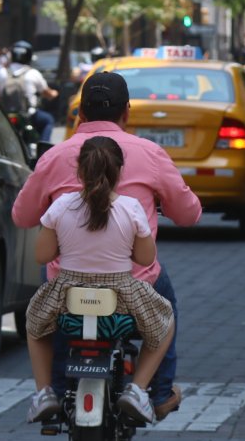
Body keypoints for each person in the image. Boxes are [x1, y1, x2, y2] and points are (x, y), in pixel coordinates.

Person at [13, 71, 202, 422]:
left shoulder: (55, 157)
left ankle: (50, 391)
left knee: (41, 314)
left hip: (67, 286)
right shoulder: (149, 155)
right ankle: (156, 393)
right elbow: (188, 216)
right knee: (166, 309)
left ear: (80, 114)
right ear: (126, 112)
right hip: (130, 285)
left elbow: (22, 217)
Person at [24, 136, 176, 424]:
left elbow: (42, 255)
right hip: (120, 301)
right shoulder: (131, 208)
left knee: (35, 325)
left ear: (79, 172)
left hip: (67, 301)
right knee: (165, 321)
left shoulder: (61, 207)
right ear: (120, 171)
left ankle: (44, 393)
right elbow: (146, 259)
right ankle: (138, 389)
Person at [0, 41, 58, 142]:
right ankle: (43, 150)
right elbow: (47, 93)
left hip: (5, 115)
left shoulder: (1, 72)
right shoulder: (33, 73)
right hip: (29, 116)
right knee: (48, 120)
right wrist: (54, 93)